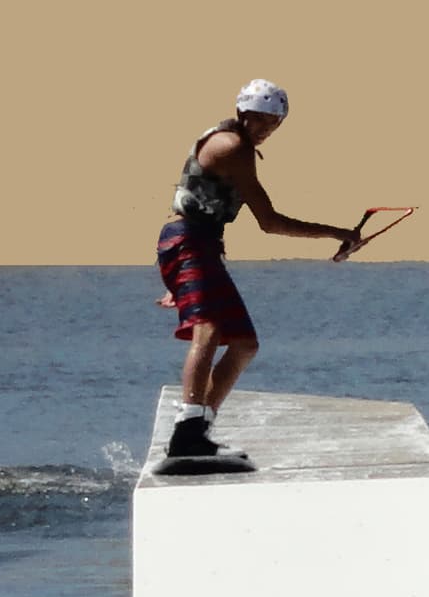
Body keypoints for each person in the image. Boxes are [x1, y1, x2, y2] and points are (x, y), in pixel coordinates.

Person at [154, 78, 360, 474]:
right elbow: (269, 222)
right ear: (243, 114)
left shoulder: (237, 145)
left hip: (201, 247)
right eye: (261, 120)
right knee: (209, 329)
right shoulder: (231, 147)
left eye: (275, 123)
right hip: (188, 243)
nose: (267, 129)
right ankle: (186, 432)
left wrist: (175, 282)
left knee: (245, 344)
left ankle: (200, 430)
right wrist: (336, 233)